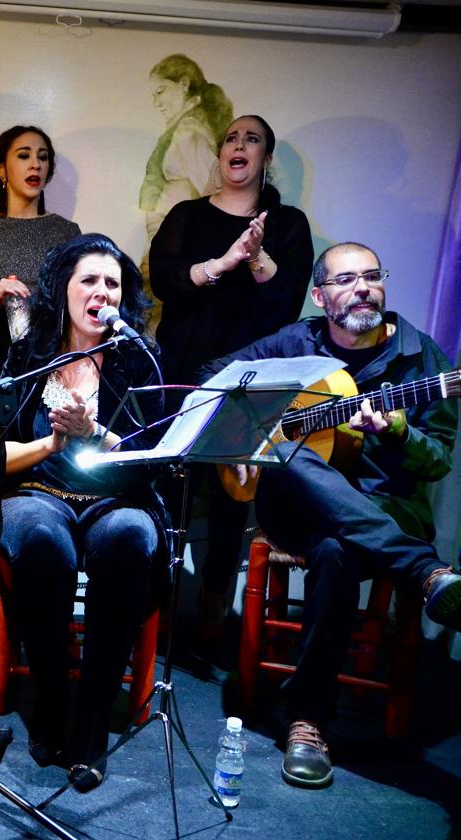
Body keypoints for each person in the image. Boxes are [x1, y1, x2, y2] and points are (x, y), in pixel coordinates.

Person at [201, 241, 460, 789]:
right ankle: (426, 571)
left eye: (371, 275)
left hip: (384, 506)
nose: (362, 287)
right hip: (295, 506)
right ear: (321, 296)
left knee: (338, 551)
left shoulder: (424, 358)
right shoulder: (297, 341)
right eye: (345, 280)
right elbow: (214, 375)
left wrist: (399, 432)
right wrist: (239, 441)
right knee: (285, 450)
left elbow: (438, 459)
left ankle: (307, 720)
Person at [0, 234, 166, 792]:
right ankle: (50, 703)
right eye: (88, 280)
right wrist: (52, 446)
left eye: (112, 283)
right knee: (42, 544)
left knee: (130, 540)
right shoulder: (28, 355)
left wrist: (98, 434)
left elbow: (151, 464)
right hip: (37, 492)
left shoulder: (140, 360)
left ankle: (90, 726)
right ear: (63, 290)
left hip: (117, 498)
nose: (101, 292)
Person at [149, 114, 313, 636]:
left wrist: (257, 256)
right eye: (231, 138)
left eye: (253, 139)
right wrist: (222, 262)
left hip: (246, 379)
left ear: (266, 159)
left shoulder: (288, 225)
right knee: (169, 486)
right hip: (179, 370)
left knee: (229, 496)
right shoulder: (187, 215)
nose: (239, 146)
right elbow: (165, 282)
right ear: (221, 155)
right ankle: (156, 603)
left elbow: (285, 305)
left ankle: (214, 613)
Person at [0, 124, 82, 511]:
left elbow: (80, 298)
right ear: (1, 169)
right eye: (23, 155)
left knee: (45, 459)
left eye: (43, 156)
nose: (35, 164)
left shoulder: (66, 231)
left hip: (50, 365)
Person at [139, 55, 233, 245]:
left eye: (160, 91)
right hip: (173, 241)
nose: (156, 103)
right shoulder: (183, 130)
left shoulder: (188, 132)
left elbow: (216, 194)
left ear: (183, 84)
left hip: (180, 244)